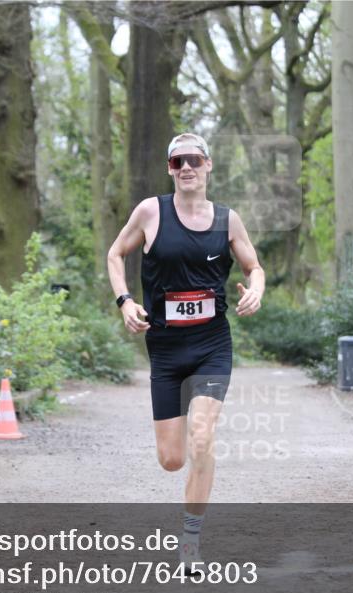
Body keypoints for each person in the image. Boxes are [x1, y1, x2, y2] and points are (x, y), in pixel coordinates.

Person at [107, 132, 265, 570]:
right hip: (165, 348)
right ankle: (184, 481)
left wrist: (256, 290)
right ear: (170, 170)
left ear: (209, 165)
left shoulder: (226, 220)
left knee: (202, 436)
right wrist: (125, 302)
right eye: (178, 162)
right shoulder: (151, 212)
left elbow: (254, 267)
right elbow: (116, 254)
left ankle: (190, 544)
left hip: (212, 345)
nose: (187, 168)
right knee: (172, 459)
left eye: (194, 159)